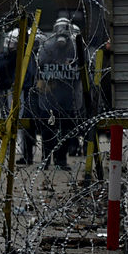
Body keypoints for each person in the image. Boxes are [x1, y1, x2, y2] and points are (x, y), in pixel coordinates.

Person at [36, 17, 84, 171]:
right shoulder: (47, 47)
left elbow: (85, 67)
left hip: (68, 98)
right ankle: (45, 160)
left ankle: (61, 161)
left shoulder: (76, 47)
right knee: (48, 131)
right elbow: (40, 67)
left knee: (65, 132)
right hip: (50, 97)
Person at [0, 28, 38, 165]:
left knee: (25, 124)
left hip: (22, 94)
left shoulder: (27, 58)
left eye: (12, 43)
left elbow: (28, 75)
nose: (9, 46)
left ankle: (27, 154)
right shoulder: (4, 58)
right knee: (7, 121)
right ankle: (7, 147)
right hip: (6, 93)